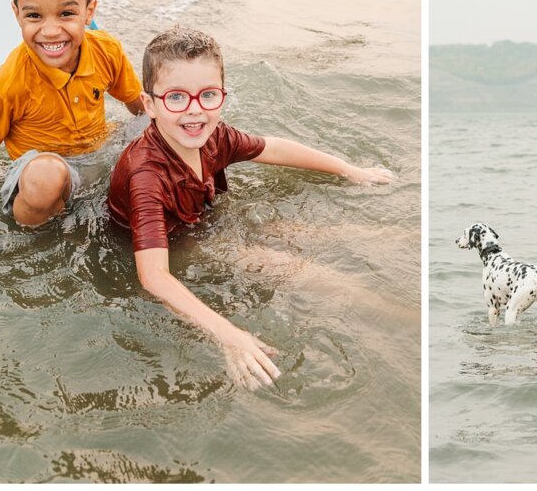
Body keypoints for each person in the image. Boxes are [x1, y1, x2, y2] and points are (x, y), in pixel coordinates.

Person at [106, 27, 394, 390]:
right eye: (177, 98)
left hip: (204, 218)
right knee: (297, 269)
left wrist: (349, 170)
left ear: (222, 97)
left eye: (207, 95)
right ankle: (393, 317)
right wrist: (229, 335)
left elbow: (272, 148)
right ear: (149, 105)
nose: (195, 111)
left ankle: (395, 255)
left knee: (326, 234)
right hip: (176, 243)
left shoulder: (215, 135)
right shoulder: (145, 174)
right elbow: (154, 277)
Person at [0, 0, 145, 226]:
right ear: (17, 14)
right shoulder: (8, 84)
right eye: (34, 15)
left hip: (97, 157)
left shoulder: (106, 50)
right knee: (46, 176)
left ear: (89, 11)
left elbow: (141, 108)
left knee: (167, 122)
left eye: (66, 14)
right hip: (42, 176)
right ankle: (36, 235)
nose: (50, 31)